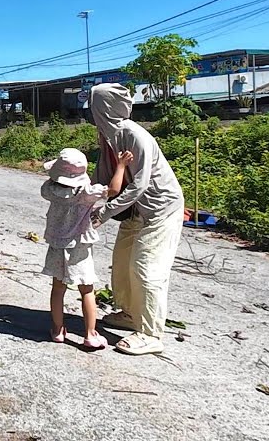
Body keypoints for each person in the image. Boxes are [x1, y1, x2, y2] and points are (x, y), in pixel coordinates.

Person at [87, 83, 187, 356]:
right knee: (121, 264)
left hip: (159, 209)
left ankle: (151, 332)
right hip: (134, 212)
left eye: (95, 103)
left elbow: (139, 184)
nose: (91, 109)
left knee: (146, 267)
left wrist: (104, 213)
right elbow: (103, 175)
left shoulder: (133, 134)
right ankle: (131, 313)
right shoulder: (106, 135)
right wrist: (79, 195)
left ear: (106, 106)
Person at [41, 147, 133, 349]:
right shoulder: (85, 193)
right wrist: (121, 166)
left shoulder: (50, 190)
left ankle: (57, 331)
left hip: (57, 245)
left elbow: (50, 182)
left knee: (58, 289)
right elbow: (113, 191)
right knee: (87, 290)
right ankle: (90, 334)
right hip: (79, 247)